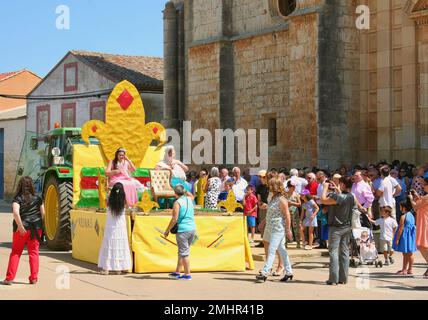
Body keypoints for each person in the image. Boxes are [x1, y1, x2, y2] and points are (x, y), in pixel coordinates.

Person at [2, 177, 45, 285]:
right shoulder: (38, 198)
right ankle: (34, 278)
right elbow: (43, 214)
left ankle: (9, 278)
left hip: (21, 229)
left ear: (20, 185)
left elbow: (16, 213)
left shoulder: (18, 198)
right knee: (34, 252)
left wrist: (20, 227)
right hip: (36, 228)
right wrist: (40, 225)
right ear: (31, 185)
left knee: (16, 252)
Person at [256, 178, 294, 283]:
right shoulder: (273, 198)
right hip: (270, 227)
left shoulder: (282, 199)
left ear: (277, 187)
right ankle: (289, 272)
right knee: (281, 250)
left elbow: (287, 215)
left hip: (278, 228)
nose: (270, 187)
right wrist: (263, 222)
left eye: (272, 186)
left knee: (272, 250)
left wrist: (288, 229)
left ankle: (265, 272)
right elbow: (270, 212)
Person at [321, 176, 355, 285]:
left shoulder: (339, 197)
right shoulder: (351, 196)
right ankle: (343, 278)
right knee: (344, 252)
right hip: (346, 227)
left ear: (344, 185)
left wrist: (325, 188)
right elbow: (341, 197)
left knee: (334, 252)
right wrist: (337, 190)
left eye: (340, 183)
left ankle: (333, 279)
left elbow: (323, 200)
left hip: (336, 228)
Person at [98, 183, 132, 275]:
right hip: (120, 227)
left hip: (110, 226)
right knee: (120, 245)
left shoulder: (109, 200)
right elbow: (129, 206)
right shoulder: (124, 201)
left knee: (109, 246)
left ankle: (106, 269)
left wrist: (109, 193)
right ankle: (118, 269)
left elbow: (105, 203)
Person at [164, 184, 196, 280]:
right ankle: (178, 271)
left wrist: (167, 230)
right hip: (192, 228)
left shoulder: (177, 203)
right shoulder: (189, 199)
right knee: (182, 251)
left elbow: (174, 219)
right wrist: (184, 190)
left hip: (183, 230)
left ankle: (187, 274)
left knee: (184, 253)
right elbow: (191, 195)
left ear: (175, 193)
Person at [409, 177, 428, 278]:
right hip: (422, 221)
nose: (422, 186)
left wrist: (412, 199)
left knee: (422, 245)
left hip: (425, 222)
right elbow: (419, 206)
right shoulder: (425, 197)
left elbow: (416, 207)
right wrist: (417, 197)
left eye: (424, 184)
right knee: (422, 245)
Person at [393, 199, 417, 275]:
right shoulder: (411, 215)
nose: (400, 209)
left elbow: (400, 229)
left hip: (405, 236)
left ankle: (404, 269)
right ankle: (410, 269)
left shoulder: (403, 216)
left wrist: (397, 239)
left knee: (405, 253)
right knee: (410, 253)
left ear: (404, 207)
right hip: (411, 236)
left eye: (400, 207)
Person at [285, 180, 302, 248]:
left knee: (296, 228)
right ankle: (286, 242)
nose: (294, 187)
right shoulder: (285, 194)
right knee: (287, 227)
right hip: (287, 213)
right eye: (293, 186)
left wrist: (292, 203)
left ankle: (298, 243)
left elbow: (299, 203)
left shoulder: (296, 194)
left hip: (295, 213)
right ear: (289, 187)